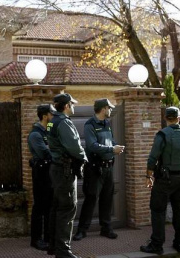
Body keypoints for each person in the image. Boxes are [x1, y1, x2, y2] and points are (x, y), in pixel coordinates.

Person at [140, 107, 180, 255]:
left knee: (158, 211)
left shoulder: (162, 135)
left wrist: (148, 176)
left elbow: (152, 158)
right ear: (179, 118)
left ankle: (157, 245)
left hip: (165, 179)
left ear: (165, 118)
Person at [73, 99, 124, 241]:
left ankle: (106, 229)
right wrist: (111, 149)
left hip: (108, 168)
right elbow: (91, 145)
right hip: (95, 169)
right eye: (109, 108)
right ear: (103, 109)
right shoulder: (90, 124)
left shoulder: (107, 123)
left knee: (107, 199)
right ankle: (82, 230)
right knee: (90, 199)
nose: (111, 110)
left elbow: (110, 140)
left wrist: (116, 147)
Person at [47, 93, 88, 258]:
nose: (74, 106)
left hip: (57, 169)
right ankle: (63, 251)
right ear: (66, 105)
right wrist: (84, 157)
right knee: (67, 209)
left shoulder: (52, 121)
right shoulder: (63, 122)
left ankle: (53, 246)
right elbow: (74, 146)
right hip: (65, 170)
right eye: (72, 104)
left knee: (57, 208)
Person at [28, 104, 56, 251]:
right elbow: (47, 154)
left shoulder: (48, 132)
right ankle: (36, 239)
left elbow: (55, 148)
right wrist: (53, 150)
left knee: (49, 207)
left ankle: (48, 237)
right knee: (39, 207)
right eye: (52, 114)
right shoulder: (35, 134)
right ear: (45, 116)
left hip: (49, 172)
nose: (54, 116)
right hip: (40, 173)